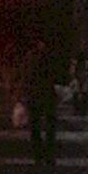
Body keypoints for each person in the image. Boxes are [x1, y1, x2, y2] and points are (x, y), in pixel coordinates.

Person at [22, 37, 60, 166]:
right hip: (48, 94)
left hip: (35, 94)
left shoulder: (30, 57)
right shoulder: (51, 57)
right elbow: (57, 75)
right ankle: (50, 155)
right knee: (50, 126)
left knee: (35, 126)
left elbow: (26, 76)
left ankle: (38, 156)